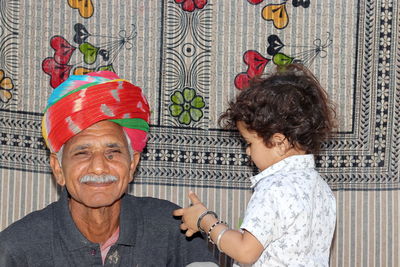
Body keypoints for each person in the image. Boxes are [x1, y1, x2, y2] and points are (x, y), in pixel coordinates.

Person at [0, 71, 217, 267]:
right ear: (58, 169)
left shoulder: (172, 229)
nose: (98, 167)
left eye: (112, 153)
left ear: (132, 165)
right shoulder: (17, 247)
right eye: (82, 153)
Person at [173, 63, 337, 266]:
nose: (247, 152)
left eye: (250, 143)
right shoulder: (322, 189)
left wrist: (205, 220)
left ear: (279, 142)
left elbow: (245, 251)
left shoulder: (274, 188)